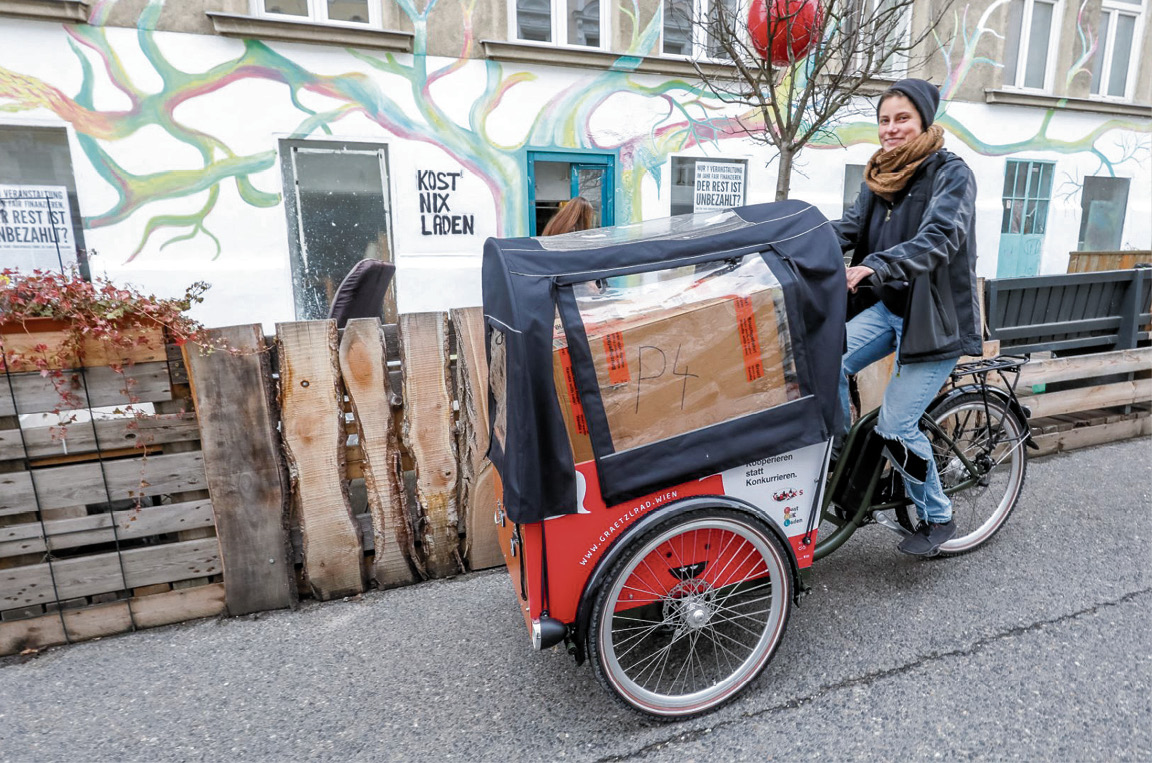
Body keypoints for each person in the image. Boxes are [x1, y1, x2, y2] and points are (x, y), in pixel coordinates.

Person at [832, 78, 983, 557]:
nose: (891, 128)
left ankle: (938, 515)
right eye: (884, 120)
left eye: (902, 118)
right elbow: (847, 228)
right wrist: (788, 241)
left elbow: (940, 237)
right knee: (826, 362)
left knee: (896, 427)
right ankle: (841, 460)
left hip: (934, 321)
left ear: (923, 122)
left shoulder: (950, 174)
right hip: (889, 309)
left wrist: (875, 265)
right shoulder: (879, 177)